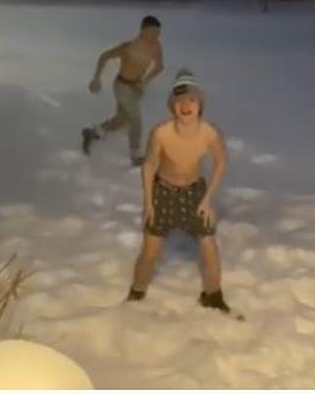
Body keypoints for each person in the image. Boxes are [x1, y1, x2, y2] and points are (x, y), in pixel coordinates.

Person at [126, 69, 234, 315]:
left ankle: (213, 295)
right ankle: (136, 292)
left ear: (200, 105)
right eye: (180, 101)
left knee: (209, 244)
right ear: (172, 106)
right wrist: (149, 203)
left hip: (195, 192)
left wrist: (207, 200)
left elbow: (221, 161)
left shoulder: (209, 133)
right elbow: (150, 165)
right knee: (150, 250)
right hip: (163, 191)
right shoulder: (161, 133)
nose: (186, 106)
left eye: (192, 100)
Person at [82, 16, 165, 166]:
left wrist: (145, 81)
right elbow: (104, 56)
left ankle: (93, 132)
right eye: (152, 32)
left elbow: (159, 66)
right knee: (136, 118)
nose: (156, 36)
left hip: (136, 88)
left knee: (122, 119)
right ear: (142, 31)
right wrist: (96, 78)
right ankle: (135, 155)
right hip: (122, 86)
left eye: (158, 33)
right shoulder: (128, 47)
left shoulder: (156, 46)